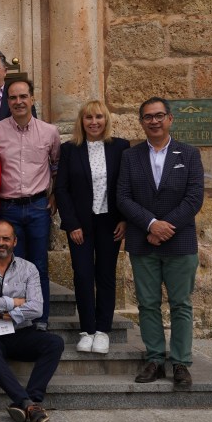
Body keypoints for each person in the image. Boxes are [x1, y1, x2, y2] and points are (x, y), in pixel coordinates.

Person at [117, 97, 204, 388]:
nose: (153, 121)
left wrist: (167, 226)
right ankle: (155, 359)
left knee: (181, 304)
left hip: (179, 241)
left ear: (170, 119)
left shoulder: (188, 154)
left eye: (159, 116)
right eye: (147, 117)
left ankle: (180, 362)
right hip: (143, 240)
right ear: (141, 122)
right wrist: (151, 225)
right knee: (148, 303)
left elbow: (194, 198)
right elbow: (123, 197)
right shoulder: (130, 157)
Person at [0, 220, 64, 422]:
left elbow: (37, 308)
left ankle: (31, 399)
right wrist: (15, 303)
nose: (0, 243)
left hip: (21, 332)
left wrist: (4, 313)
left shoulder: (29, 269)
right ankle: (28, 404)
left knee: (54, 343)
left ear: (15, 241)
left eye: (5, 239)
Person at [54, 99, 130, 355]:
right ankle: (87, 330)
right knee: (83, 275)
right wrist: (71, 223)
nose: (94, 122)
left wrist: (124, 219)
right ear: (81, 121)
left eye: (99, 117)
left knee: (106, 276)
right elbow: (61, 189)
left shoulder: (120, 147)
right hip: (81, 225)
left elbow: (125, 186)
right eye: (89, 118)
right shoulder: (70, 149)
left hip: (111, 223)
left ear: (106, 120)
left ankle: (103, 331)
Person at [0, 79, 60, 327]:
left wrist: (54, 196)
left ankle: (40, 319)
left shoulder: (50, 132)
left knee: (38, 267)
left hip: (38, 207)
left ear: (32, 99)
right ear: (8, 102)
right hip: (7, 209)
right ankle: (13, 320)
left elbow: (57, 167)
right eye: (13, 98)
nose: (18, 102)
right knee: (9, 267)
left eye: (23, 96)